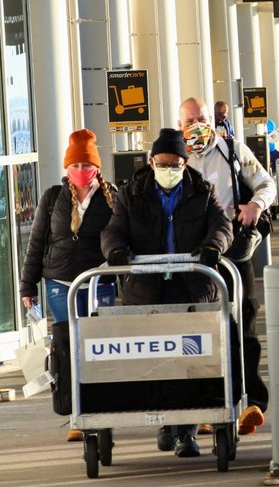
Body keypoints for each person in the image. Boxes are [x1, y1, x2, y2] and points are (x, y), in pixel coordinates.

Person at [101, 128, 233, 458]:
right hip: (149, 290)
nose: (169, 170)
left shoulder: (202, 190)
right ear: (151, 162)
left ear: (186, 164)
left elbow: (222, 225)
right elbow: (114, 229)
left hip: (190, 288)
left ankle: (186, 431)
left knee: (189, 360)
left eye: (175, 164)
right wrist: (116, 248)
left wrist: (213, 246)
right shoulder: (132, 193)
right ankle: (166, 424)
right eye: (163, 163)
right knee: (158, 361)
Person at [177, 97, 275, 435]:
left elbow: (267, 184)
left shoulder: (232, 149)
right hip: (194, 259)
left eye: (201, 118)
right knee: (201, 333)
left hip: (233, 253)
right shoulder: (176, 158)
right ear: (180, 126)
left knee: (244, 323)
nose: (197, 126)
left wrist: (254, 206)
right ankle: (207, 405)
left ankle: (251, 402)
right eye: (190, 121)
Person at [19, 129, 116, 442]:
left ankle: (102, 413)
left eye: (85, 166)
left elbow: (121, 238)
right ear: (66, 168)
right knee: (69, 348)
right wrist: (27, 286)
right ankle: (77, 414)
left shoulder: (112, 197)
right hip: (60, 285)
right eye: (74, 166)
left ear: (96, 168)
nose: (79, 172)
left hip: (98, 282)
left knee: (98, 348)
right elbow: (36, 243)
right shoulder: (52, 198)